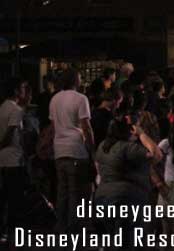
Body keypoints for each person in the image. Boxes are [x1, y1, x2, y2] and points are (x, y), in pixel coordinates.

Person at [94, 116, 162, 248]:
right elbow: (156, 154)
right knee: (127, 242)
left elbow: (97, 168)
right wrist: (142, 134)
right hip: (126, 199)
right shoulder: (128, 148)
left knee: (111, 241)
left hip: (102, 197)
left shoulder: (103, 146)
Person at [50, 67, 94, 234]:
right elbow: (86, 127)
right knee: (77, 192)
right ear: (76, 80)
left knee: (62, 191)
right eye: (80, 77)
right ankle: (74, 228)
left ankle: (60, 226)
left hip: (59, 150)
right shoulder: (81, 99)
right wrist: (92, 148)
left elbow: (54, 127)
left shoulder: (54, 99)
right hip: (76, 149)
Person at [0, 78, 31, 242]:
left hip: (3, 160)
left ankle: (4, 232)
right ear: (15, 91)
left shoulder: (2, 107)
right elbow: (11, 133)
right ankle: (13, 234)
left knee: (4, 196)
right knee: (15, 198)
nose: (24, 92)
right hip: (13, 158)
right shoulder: (16, 110)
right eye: (22, 88)